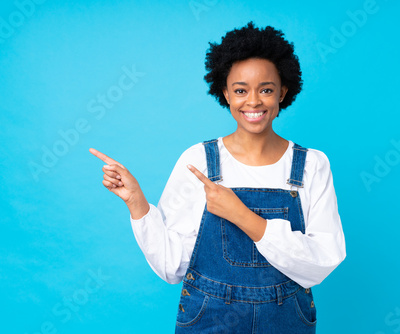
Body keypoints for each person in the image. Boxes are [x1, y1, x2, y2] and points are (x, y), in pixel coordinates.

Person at [90, 22, 346, 333]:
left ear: (283, 92)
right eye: (240, 90)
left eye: (266, 89)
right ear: (225, 93)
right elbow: (173, 267)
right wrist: (137, 203)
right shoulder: (198, 160)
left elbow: (321, 261)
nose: (253, 101)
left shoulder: (311, 166)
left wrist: (241, 214)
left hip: (286, 319)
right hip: (210, 317)